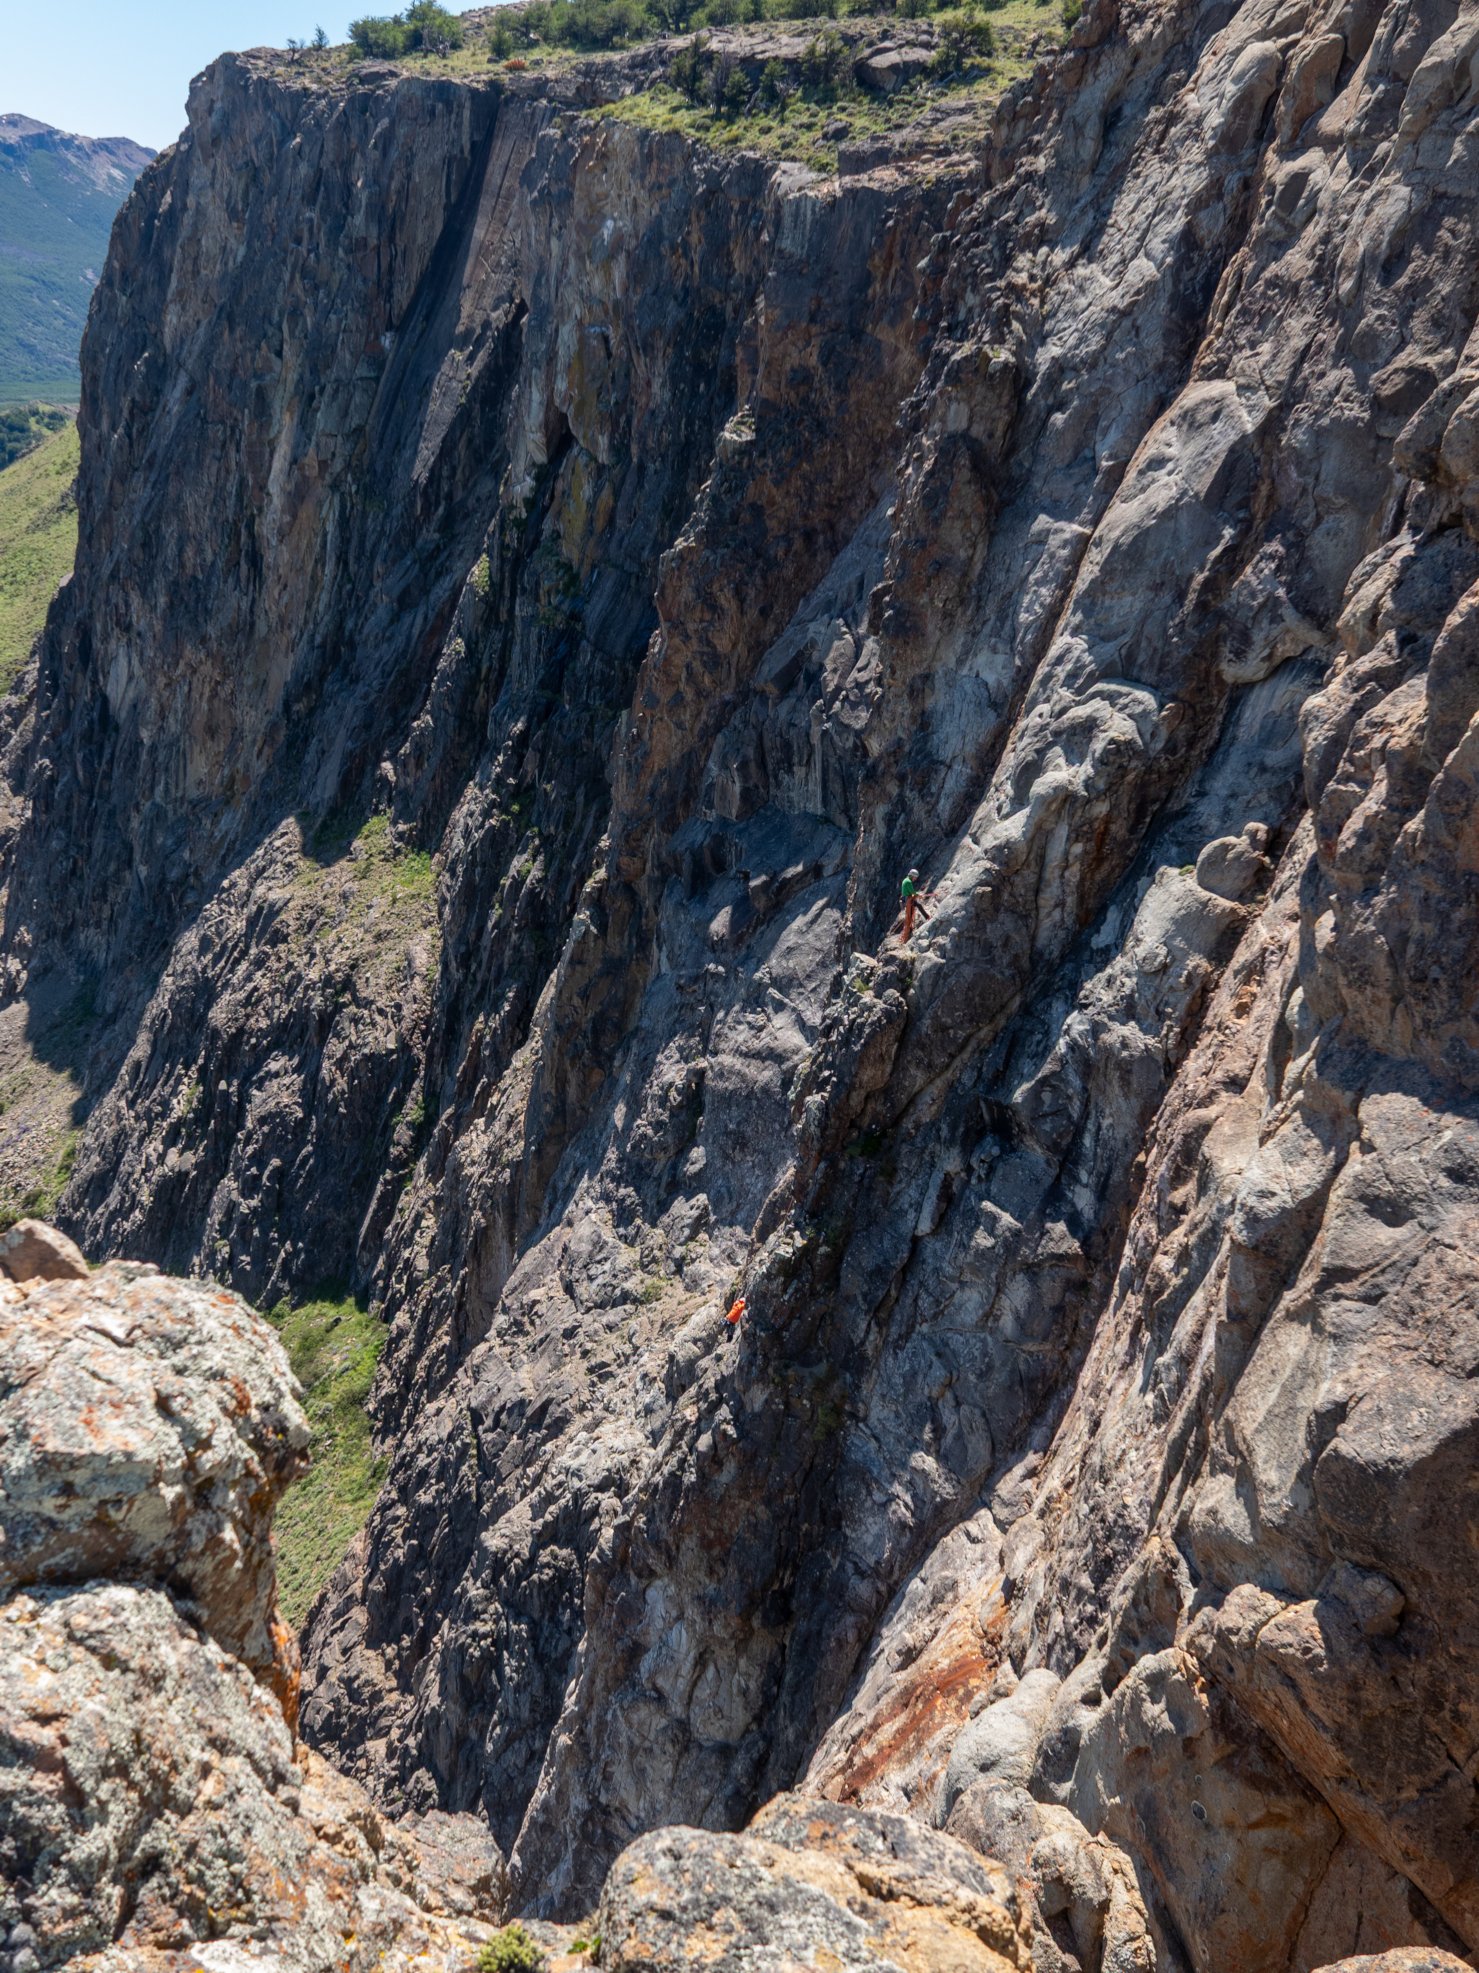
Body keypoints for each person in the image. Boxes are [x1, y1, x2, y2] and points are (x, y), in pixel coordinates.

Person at [900, 868, 931, 942]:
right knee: (910, 914)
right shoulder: (908, 882)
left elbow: (911, 892)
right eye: (915, 877)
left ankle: (926, 917)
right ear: (912, 876)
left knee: (915, 909)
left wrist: (918, 894)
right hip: (908, 899)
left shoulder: (906, 880)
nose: (915, 879)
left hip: (906, 899)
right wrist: (919, 895)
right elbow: (912, 892)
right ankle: (909, 930)